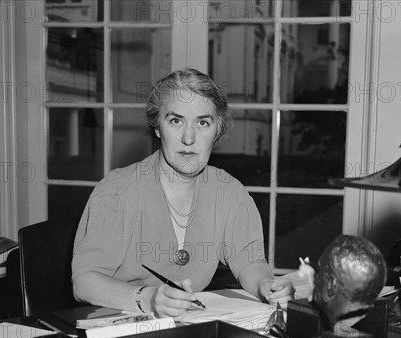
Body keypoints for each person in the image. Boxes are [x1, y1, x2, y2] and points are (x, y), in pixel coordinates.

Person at [72, 68, 294, 320]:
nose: (189, 138)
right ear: (157, 127)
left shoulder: (229, 192)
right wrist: (148, 298)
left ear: (217, 130)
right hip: (117, 328)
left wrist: (267, 285)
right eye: (176, 121)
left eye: (203, 123)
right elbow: (84, 282)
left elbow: (249, 262)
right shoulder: (116, 191)